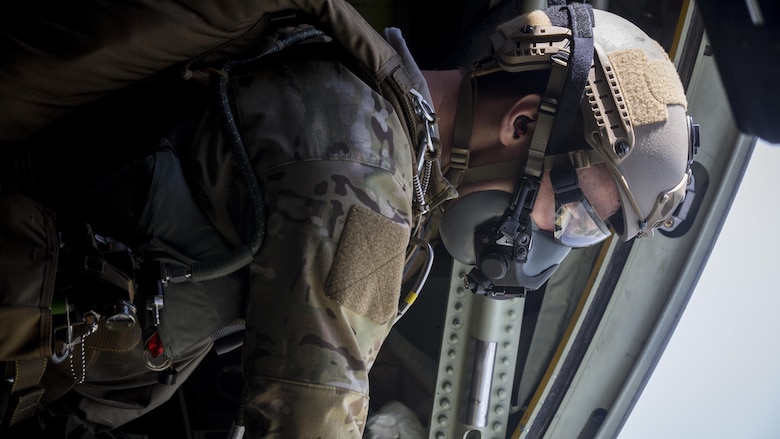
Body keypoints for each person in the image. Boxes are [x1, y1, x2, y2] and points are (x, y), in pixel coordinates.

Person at [0, 0, 696, 437]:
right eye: (571, 213)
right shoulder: (365, 164)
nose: (553, 238)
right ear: (520, 124)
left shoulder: (372, 124)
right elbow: (313, 414)